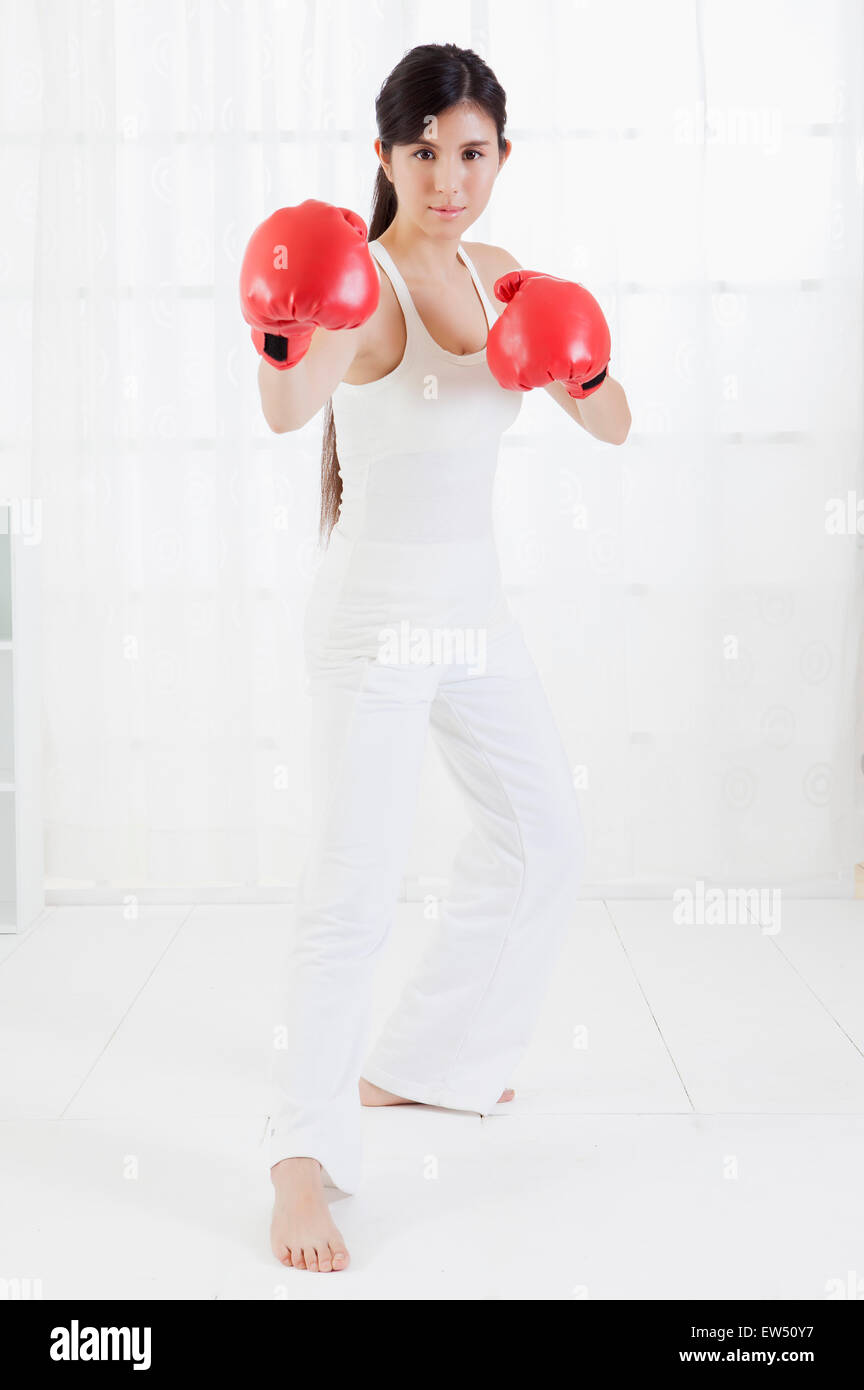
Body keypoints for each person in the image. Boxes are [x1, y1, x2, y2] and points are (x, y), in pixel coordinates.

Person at [239, 42, 631, 1274]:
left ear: (501, 156)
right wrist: (283, 327)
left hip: (475, 613)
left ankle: (427, 1063)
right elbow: (285, 415)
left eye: (473, 153)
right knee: (352, 894)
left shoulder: (506, 277)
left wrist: (584, 354)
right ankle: (301, 1163)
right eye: (424, 153)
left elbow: (614, 424)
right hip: (372, 622)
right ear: (386, 157)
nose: (450, 178)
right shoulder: (358, 279)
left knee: (543, 834)